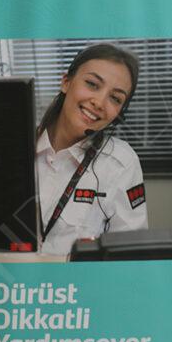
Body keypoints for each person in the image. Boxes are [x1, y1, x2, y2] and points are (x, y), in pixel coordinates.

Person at [36, 43, 148, 256]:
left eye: (115, 98)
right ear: (66, 82)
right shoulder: (15, 145)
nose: (99, 102)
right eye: (92, 84)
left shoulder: (122, 163)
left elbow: (130, 255)